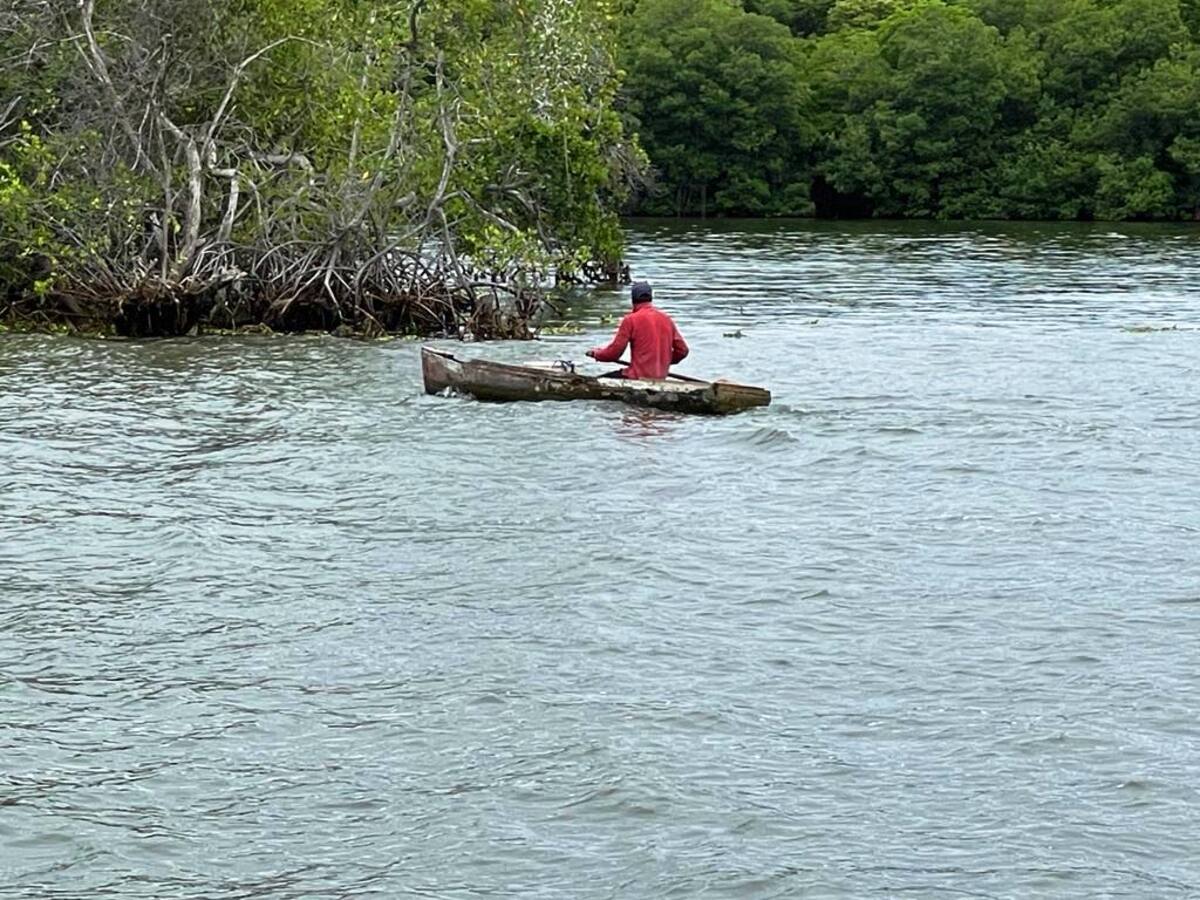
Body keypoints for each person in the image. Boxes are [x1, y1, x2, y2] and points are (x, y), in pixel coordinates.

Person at [586, 281, 689, 379]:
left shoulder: (630, 320)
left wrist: (596, 354)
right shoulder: (666, 319)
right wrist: (662, 360)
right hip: (660, 377)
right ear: (650, 298)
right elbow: (683, 351)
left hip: (636, 377)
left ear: (633, 300)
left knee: (595, 383)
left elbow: (614, 353)